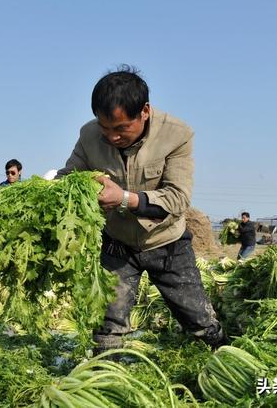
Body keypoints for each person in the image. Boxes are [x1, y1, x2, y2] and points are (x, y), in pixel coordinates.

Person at [56, 66, 226, 352]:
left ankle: (219, 355)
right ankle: (105, 380)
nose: (112, 137)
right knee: (108, 323)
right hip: (117, 244)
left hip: (167, 243)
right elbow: (69, 177)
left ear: (144, 111)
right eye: (105, 128)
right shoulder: (88, 136)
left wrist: (124, 199)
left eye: (121, 128)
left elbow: (177, 198)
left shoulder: (176, 135)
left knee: (198, 318)